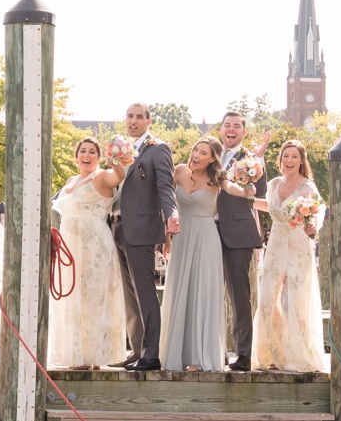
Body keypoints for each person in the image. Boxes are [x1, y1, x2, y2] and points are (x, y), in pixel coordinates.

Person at [158, 135, 250, 371]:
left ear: (212, 159)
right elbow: (167, 202)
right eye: (195, 150)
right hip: (181, 236)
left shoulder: (218, 179)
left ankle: (200, 357)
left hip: (206, 237)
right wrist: (166, 237)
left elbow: (234, 189)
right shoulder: (178, 171)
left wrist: (247, 189)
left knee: (203, 292)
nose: (196, 156)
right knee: (180, 289)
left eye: (203, 153)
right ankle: (176, 355)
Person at [252, 138, 327, 372]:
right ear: (281, 160)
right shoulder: (274, 184)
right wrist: (246, 200)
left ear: (301, 160)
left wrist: (313, 225)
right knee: (267, 299)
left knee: (293, 300)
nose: (289, 160)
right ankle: (274, 353)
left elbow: (318, 210)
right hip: (275, 245)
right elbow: (272, 207)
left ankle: (298, 355)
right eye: (286, 156)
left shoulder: (307, 187)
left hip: (297, 245)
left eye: (294, 156)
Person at [114, 103, 179, 371]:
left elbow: (166, 186)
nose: (133, 121)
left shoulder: (158, 149)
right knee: (129, 296)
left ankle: (152, 354)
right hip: (117, 227)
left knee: (145, 292)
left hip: (141, 228)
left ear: (148, 121)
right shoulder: (120, 150)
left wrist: (172, 214)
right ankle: (137, 349)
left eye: (139, 117)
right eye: (130, 116)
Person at [50, 136, 123, 368]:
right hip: (69, 242)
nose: (87, 156)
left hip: (94, 244)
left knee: (92, 297)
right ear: (76, 156)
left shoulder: (101, 176)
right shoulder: (71, 180)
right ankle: (74, 355)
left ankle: (93, 357)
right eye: (83, 151)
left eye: (92, 152)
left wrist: (117, 155)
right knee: (71, 297)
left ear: (99, 157)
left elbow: (119, 176)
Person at [213, 112, 265, 371]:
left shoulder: (252, 160)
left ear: (243, 132)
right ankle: (214, 350)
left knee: (239, 295)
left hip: (238, 232)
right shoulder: (211, 153)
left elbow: (260, 192)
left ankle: (243, 354)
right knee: (211, 293)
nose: (231, 130)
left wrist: (251, 186)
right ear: (221, 130)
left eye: (236, 126)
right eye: (227, 125)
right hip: (208, 230)